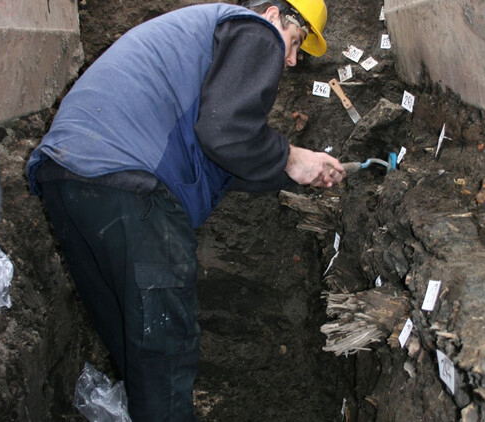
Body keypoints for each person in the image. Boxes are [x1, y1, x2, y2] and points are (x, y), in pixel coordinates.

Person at [26, 0, 345, 420]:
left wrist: (294, 171)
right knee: (165, 351)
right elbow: (226, 132)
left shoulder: (200, 47)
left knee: (134, 340)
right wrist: (288, 156)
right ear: (272, 14)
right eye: (295, 41)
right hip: (130, 185)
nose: (290, 59)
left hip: (68, 180)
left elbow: (221, 153)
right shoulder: (253, 30)